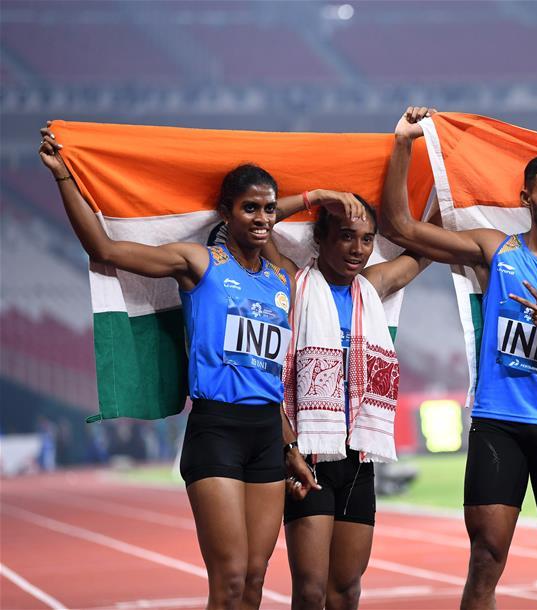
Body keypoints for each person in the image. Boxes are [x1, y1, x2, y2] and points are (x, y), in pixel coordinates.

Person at [38, 124, 356, 610]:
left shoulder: (283, 279)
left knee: (254, 580)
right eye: (250, 207)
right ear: (225, 212)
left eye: (270, 208)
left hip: (268, 436)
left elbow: (267, 373)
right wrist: (64, 178)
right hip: (217, 430)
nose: (264, 217)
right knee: (228, 583)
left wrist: (289, 443)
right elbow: (106, 250)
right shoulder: (200, 264)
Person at [381, 107, 537, 610]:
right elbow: (400, 225)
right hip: (500, 424)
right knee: (487, 559)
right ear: (526, 198)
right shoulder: (496, 253)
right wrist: (404, 144)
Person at [258, 192, 431, 610]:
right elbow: (263, 224)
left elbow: (426, 245)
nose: (358, 249)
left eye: (368, 239)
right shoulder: (292, 282)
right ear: (321, 237)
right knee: (311, 591)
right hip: (311, 454)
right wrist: (315, 196)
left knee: (347, 590)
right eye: (346, 236)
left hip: (359, 457)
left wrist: (448, 182)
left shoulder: (372, 287)